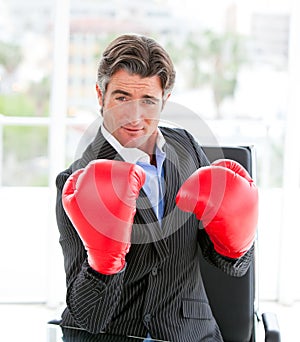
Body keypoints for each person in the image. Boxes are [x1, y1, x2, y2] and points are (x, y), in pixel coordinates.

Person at [55, 34, 258, 342]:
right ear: (100, 96)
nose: (134, 116)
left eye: (148, 101)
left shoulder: (187, 148)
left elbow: (231, 268)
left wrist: (237, 243)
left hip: (191, 333)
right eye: (122, 98)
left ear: (165, 98)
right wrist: (104, 263)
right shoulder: (76, 180)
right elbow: (88, 316)